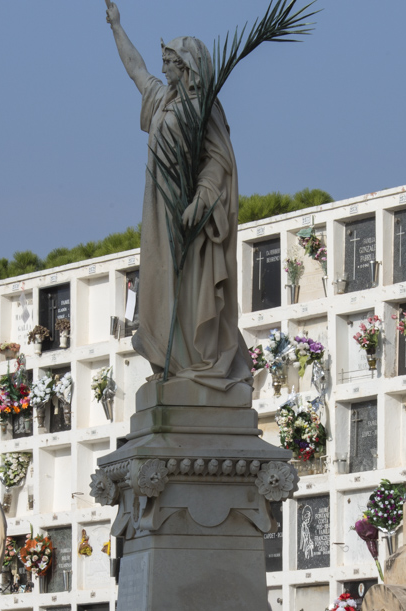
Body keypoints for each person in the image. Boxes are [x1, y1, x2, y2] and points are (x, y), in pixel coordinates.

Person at [105, 0, 252, 394]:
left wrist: (200, 202)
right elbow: (136, 70)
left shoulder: (204, 109)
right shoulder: (163, 99)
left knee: (187, 286)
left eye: (169, 60)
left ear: (185, 66)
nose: (163, 66)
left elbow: (218, 160)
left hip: (187, 210)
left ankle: (191, 361)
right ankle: (169, 361)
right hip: (158, 206)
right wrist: (117, 26)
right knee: (158, 280)